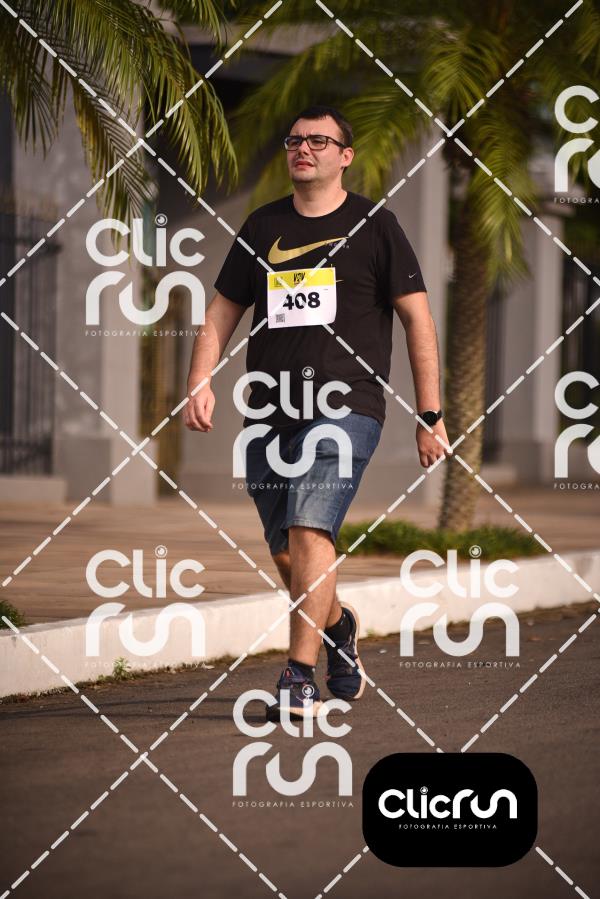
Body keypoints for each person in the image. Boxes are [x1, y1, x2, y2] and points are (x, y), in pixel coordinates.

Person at [184, 105, 450, 721]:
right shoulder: (262, 226)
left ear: (345, 156)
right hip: (271, 410)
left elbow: (418, 319)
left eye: (318, 141)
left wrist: (429, 412)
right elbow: (222, 311)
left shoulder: (376, 227)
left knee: (310, 529)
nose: (303, 148)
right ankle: (337, 628)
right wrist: (200, 379)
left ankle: (298, 677)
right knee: (288, 550)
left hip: (345, 406)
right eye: (295, 140)